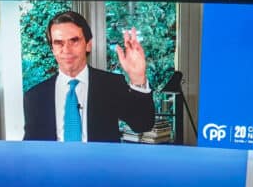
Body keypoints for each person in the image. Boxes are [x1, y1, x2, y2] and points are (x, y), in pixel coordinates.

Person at [22, 10, 155, 142]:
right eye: (58, 43)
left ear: (88, 45)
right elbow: (30, 147)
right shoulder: (35, 96)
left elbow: (142, 124)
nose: (66, 50)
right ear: (52, 49)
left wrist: (138, 77)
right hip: (53, 163)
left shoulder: (111, 85)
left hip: (100, 163)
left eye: (74, 41)